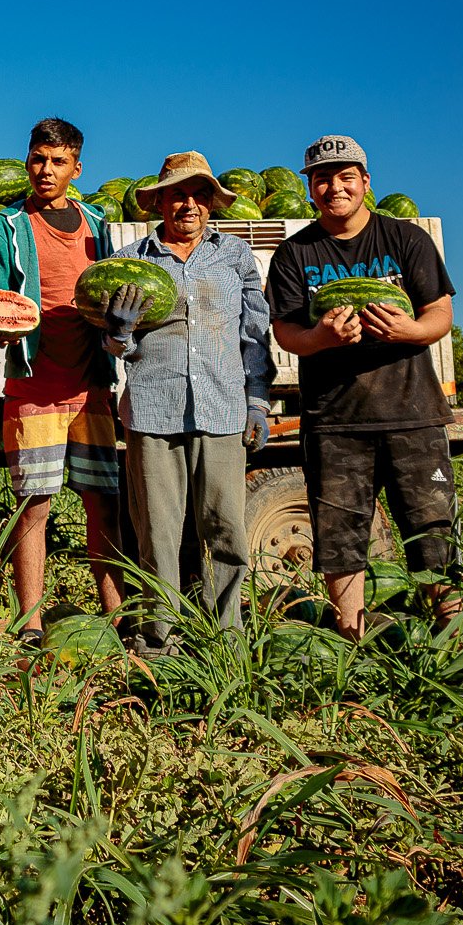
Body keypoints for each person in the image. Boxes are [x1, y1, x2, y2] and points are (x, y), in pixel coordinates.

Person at [266, 135, 463, 641]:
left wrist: (410, 332)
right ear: (310, 187)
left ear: (365, 182)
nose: (335, 187)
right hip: (335, 418)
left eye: (345, 177)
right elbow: (286, 331)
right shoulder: (295, 253)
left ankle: (453, 636)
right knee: (339, 538)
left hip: (413, 412)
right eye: (323, 179)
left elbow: (439, 313)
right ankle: (352, 639)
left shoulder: (406, 239)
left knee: (433, 532)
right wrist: (322, 337)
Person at [101, 152, 274, 655]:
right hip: (153, 408)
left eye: (199, 195)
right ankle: (161, 638)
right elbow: (112, 347)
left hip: (222, 407)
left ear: (210, 202)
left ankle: (228, 639)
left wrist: (258, 402)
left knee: (226, 528)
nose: (189, 204)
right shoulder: (130, 262)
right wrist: (118, 333)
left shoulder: (235, 256)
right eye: (178, 194)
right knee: (156, 531)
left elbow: (254, 335)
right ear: (159, 202)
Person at [0, 117, 124, 641]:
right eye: (38, 159)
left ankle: (116, 615)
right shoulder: (6, 226)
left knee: (101, 502)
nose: (46, 170)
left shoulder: (98, 224)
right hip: (34, 387)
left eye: (58, 162)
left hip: (92, 388)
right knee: (33, 505)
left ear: (76, 168)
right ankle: (31, 622)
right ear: (27, 161)